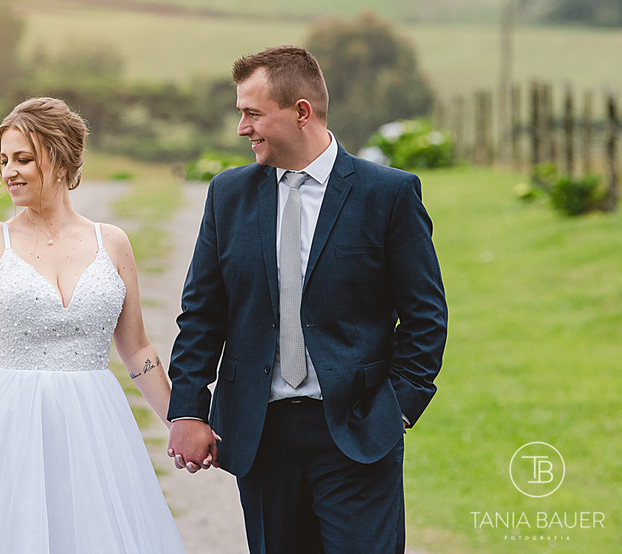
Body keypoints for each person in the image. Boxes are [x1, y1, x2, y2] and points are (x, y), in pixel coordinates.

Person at [166, 46, 447, 554]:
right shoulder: (227, 195)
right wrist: (187, 410)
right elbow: (202, 314)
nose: (242, 128)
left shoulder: (388, 194)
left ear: (301, 111)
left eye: (252, 114)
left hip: (358, 432)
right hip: (260, 435)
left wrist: (397, 410)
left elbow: (426, 317)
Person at [0, 97, 186, 554]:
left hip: (93, 423)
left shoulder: (112, 243)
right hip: (5, 422)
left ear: (61, 161)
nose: (9, 172)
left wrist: (179, 421)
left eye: (23, 159)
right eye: (4, 160)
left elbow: (137, 347)